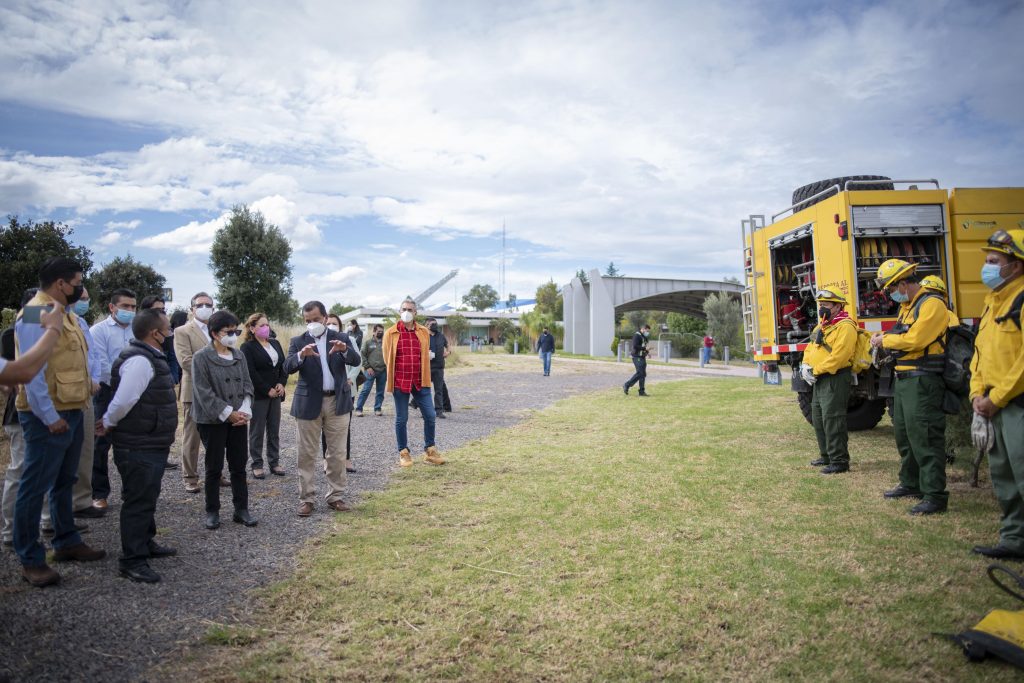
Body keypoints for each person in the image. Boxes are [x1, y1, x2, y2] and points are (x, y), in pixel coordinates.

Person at [13, 257, 105, 587]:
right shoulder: (37, 312)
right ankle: (30, 558)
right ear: (61, 284)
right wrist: (49, 417)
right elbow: (31, 370)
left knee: (64, 479)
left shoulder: (64, 314)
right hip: (47, 416)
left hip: (72, 408)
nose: (81, 288)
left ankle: (66, 541)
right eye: (77, 282)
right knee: (34, 486)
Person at [95, 309, 179, 583]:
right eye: (167, 329)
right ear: (155, 334)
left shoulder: (148, 356)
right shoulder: (141, 361)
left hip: (149, 440)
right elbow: (123, 400)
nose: (170, 333)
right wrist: (107, 421)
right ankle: (132, 560)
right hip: (138, 443)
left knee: (147, 495)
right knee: (138, 501)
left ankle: (145, 542)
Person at [870, 258, 949, 515]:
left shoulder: (932, 305)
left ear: (903, 284)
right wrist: (881, 340)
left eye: (891, 289)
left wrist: (887, 339)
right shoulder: (907, 306)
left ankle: (934, 494)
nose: (890, 294)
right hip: (904, 380)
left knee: (924, 436)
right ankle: (911, 483)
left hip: (923, 380)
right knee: (905, 435)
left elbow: (917, 339)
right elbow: (902, 335)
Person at [968, 230, 1024, 560]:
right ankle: (1014, 540)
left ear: (1015, 266)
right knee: (1004, 477)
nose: (987, 267)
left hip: (1015, 404)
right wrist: (978, 394)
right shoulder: (992, 304)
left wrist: (997, 397)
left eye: (994, 261)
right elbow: (981, 354)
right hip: (992, 404)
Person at [2, 288, 66, 548]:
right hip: (23, 413)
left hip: (50, 408)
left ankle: (48, 521)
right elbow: (20, 375)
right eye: (42, 306)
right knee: (21, 472)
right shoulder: (17, 329)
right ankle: (10, 531)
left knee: (50, 471)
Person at [285, 301, 360, 517]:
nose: (312, 324)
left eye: (316, 320)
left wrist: (344, 350)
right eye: (307, 321)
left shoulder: (342, 338)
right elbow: (287, 367)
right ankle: (307, 498)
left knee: (337, 452)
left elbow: (356, 360)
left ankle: (335, 496)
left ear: (325, 317)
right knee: (306, 452)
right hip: (308, 403)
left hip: (337, 402)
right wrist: (301, 356)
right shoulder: (298, 341)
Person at [191, 310, 256, 530]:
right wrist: (228, 413)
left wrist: (245, 409)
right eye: (229, 331)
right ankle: (212, 511)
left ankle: (241, 509)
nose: (234, 335)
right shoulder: (201, 357)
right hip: (213, 420)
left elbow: (247, 384)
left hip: (238, 419)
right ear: (215, 333)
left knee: (239, 465)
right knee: (214, 467)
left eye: (236, 331)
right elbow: (203, 391)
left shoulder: (239, 355)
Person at [89, 287, 137, 509]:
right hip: (107, 392)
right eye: (125, 306)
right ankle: (99, 492)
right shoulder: (98, 331)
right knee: (100, 443)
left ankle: (132, 490)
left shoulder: (138, 330)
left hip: (135, 393)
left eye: (133, 307)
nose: (130, 310)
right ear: (112, 307)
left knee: (131, 443)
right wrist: (122, 384)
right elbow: (100, 363)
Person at [382, 298, 445, 467]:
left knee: (430, 415)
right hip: (400, 382)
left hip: (420, 380)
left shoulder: (423, 331)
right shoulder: (391, 333)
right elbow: (387, 357)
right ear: (399, 310)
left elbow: (425, 355)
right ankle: (403, 452)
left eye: (410, 309)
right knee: (402, 418)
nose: (407, 312)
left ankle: (430, 450)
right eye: (404, 309)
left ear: (416, 313)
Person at [800, 290, 856, 474]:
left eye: (826, 304)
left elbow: (840, 356)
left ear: (838, 306)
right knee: (818, 418)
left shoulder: (845, 326)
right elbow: (810, 348)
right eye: (820, 304)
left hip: (835, 376)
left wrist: (815, 370)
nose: (821, 308)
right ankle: (826, 455)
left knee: (833, 419)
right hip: (819, 378)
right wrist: (805, 365)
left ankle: (839, 460)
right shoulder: (821, 327)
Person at [175, 292, 219, 494]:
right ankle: (190, 476)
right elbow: (185, 361)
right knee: (192, 437)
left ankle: (216, 473)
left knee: (217, 436)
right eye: (200, 305)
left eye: (208, 304)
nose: (204, 307)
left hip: (219, 391)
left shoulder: (217, 330)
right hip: (194, 390)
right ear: (192, 308)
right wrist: (216, 365)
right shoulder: (182, 331)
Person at [241, 313, 287, 479]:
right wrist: (266, 389)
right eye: (261, 325)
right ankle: (257, 464)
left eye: (267, 324)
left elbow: (283, 365)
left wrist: (282, 383)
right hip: (260, 395)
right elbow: (250, 372)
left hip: (276, 394)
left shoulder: (274, 343)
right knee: (257, 430)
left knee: (274, 429)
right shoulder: (247, 347)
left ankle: (274, 462)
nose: (265, 328)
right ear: (252, 328)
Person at [141, 294, 182, 388]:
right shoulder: (137, 331)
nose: (162, 312)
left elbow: (172, 358)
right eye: (157, 310)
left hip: (164, 384)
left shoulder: (167, 333)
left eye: (163, 309)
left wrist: (173, 378)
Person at [356, 324, 387, 417]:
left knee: (380, 392)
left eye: (382, 331)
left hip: (383, 371)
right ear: (374, 332)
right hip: (370, 371)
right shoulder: (368, 343)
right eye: (379, 331)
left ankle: (377, 409)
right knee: (365, 390)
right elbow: (362, 355)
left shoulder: (386, 343)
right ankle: (359, 409)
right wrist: (367, 367)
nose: (381, 333)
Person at [426, 317, 450, 418]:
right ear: (426, 325)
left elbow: (448, 345)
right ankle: (426, 411)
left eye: (435, 324)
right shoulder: (423, 336)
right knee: (425, 390)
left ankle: (439, 411)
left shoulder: (441, 336)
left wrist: (448, 352)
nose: (435, 326)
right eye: (432, 324)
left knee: (438, 390)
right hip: (426, 367)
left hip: (439, 367)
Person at [623, 324, 652, 396]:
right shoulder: (637, 335)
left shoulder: (644, 337)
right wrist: (645, 349)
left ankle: (641, 392)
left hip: (642, 357)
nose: (647, 332)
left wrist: (647, 353)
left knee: (643, 374)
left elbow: (644, 346)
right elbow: (635, 346)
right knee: (640, 373)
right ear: (643, 329)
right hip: (637, 357)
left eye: (648, 331)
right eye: (647, 331)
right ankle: (627, 385)